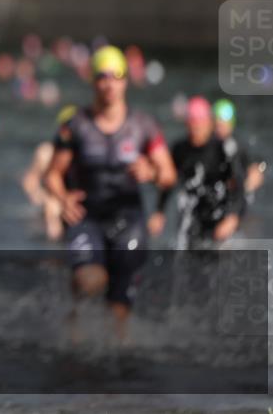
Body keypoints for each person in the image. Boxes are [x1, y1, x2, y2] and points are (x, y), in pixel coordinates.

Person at [43, 45, 176, 337]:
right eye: (102, 76)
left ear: (126, 80)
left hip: (129, 218)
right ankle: (74, 327)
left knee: (119, 303)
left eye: (116, 76)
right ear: (92, 81)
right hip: (86, 214)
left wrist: (151, 172)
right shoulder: (75, 124)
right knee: (91, 279)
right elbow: (51, 174)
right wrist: (62, 198)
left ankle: (114, 360)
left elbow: (168, 175)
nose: (109, 83)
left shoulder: (143, 125)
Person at [149, 96, 245, 249]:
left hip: (220, 213)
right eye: (192, 121)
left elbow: (239, 185)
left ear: (209, 123)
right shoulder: (180, 149)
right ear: (186, 123)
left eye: (200, 121)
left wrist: (233, 217)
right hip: (192, 215)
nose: (196, 126)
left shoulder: (224, 148)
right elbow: (170, 182)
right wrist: (159, 212)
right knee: (186, 254)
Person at [19, 105, 77, 242]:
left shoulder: (87, 151)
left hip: (73, 200)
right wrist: (40, 198)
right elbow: (29, 181)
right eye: (68, 126)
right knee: (52, 207)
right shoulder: (46, 151)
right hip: (52, 203)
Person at [212, 98, 266, 208]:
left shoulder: (239, 147)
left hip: (235, 197)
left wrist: (246, 186)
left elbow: (257, 170)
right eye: (217, 125)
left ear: (231, 125)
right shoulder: (208, 146)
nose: (220, 129)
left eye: (223, 125)